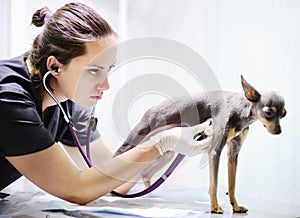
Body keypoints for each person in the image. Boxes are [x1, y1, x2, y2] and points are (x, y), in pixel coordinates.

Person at [0, 2, 213, 204]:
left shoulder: (67, 99)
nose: (105, 85)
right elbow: (77, 189)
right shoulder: (9, 100)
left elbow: (109, 179)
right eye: (93, 71)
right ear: (55, 66)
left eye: (108, 69)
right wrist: (159, 145)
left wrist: (163, 142)